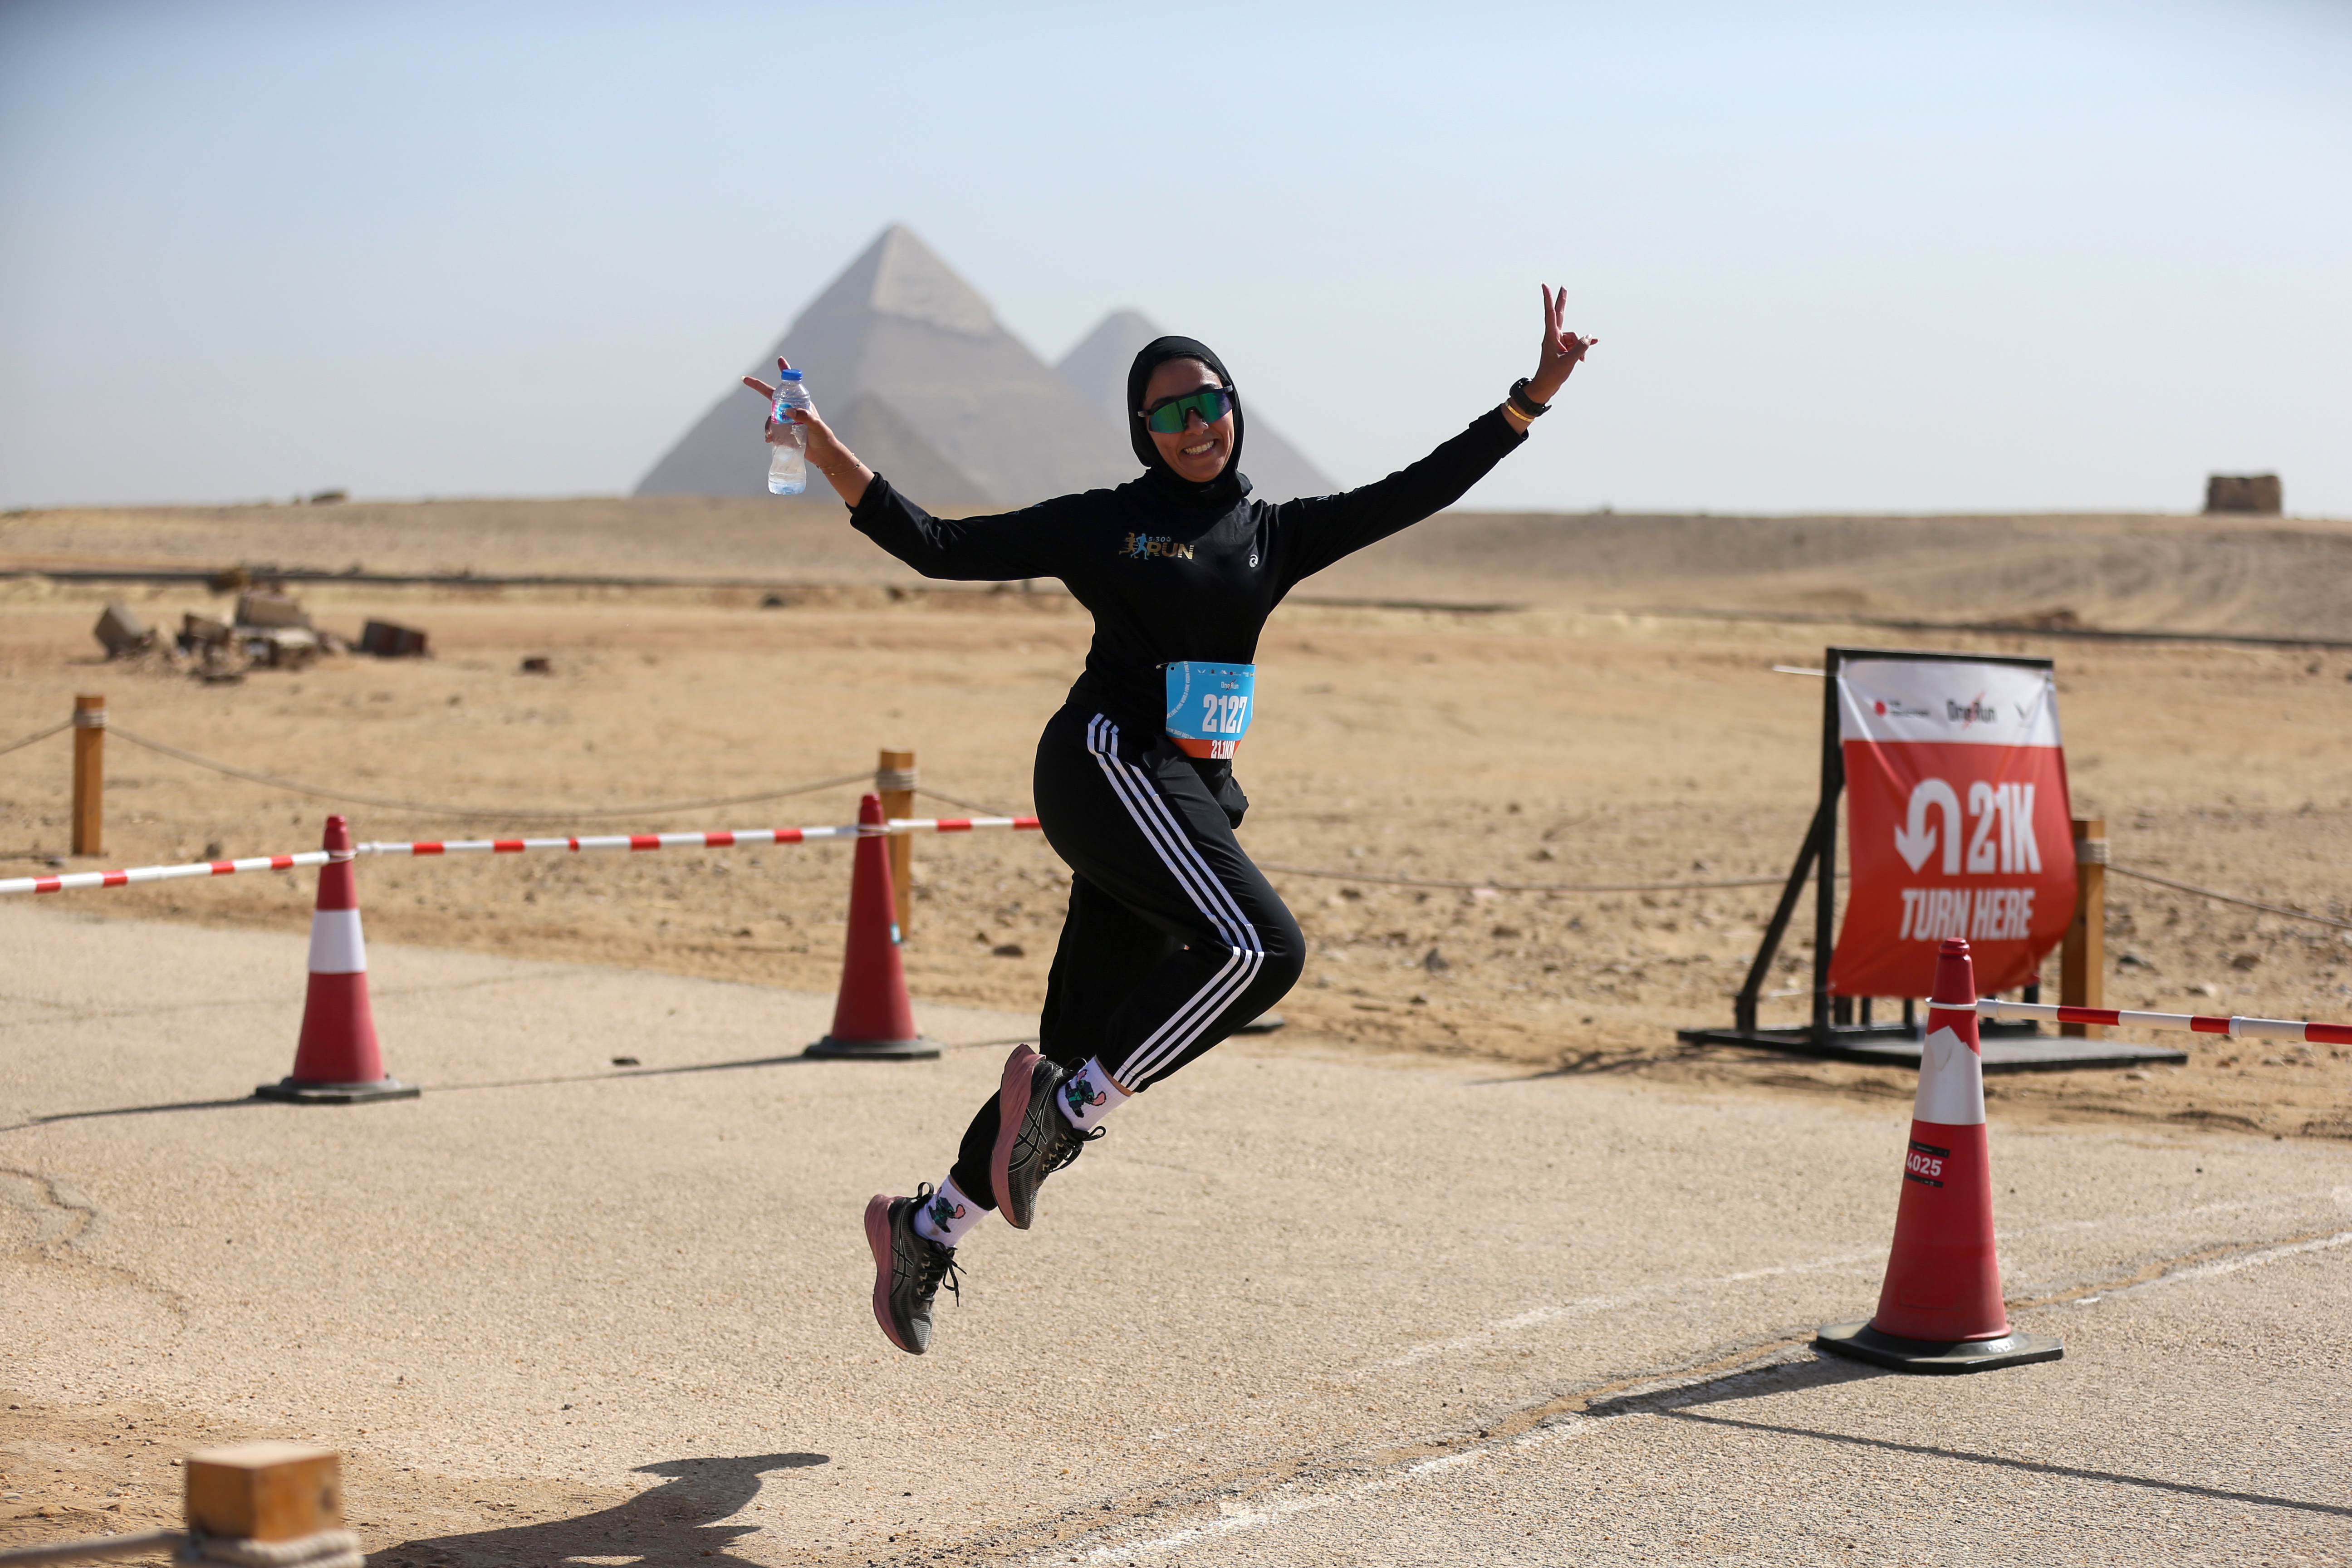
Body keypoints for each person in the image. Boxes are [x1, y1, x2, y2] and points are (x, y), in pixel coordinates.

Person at [743, 288, 1597, 1354]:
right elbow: (939, 547)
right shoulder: (1107, 523)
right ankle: (1068, 1114)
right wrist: (824, 451)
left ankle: (924, 1228)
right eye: (1167, 415)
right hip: (1108, 762)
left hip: (1181, 800)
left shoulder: (1274, 534)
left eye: (1208, 404)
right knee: (1261, 950)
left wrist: (1528, 403)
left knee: (1073, 1051)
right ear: (1141, 434)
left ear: (1234, 407)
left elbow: (1412, 493)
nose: (1194, 427)